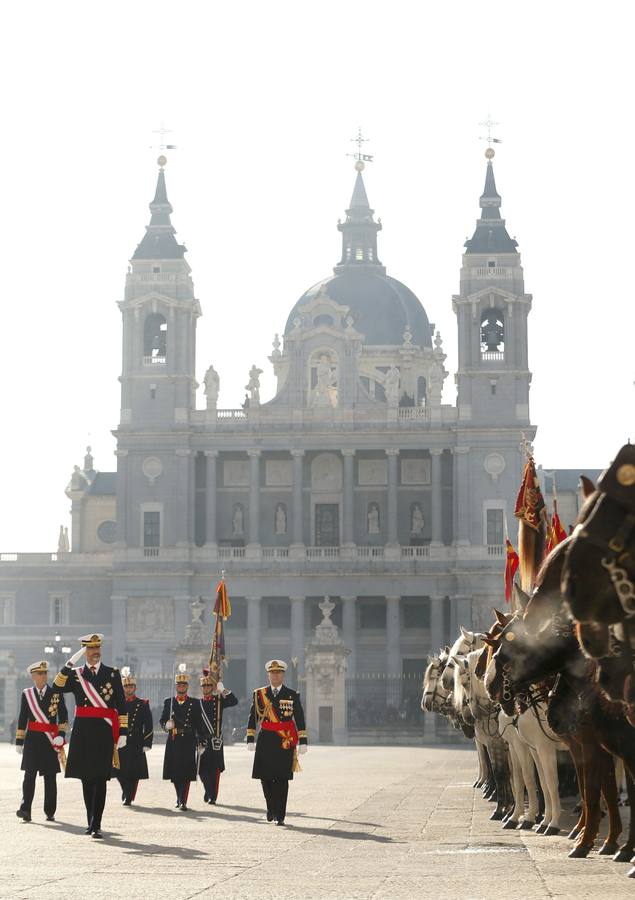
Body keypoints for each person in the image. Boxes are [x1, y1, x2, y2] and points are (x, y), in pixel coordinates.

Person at [53, 634, 127, 838]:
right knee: (86, 779)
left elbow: (121, 704)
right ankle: (90, 821)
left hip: (103, 731)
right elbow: (56, 687)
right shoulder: (76, 674)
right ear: (85, 651)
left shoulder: (112, 673)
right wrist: (69, 663)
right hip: (83, 732)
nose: (96, 651)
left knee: (100, 778)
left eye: (98, 647)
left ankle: (97, 824)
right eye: (91, 648)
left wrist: (123, 731)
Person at [246, 659, 307, 826]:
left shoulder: (292, 694)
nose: (275, 675)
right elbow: (253, 716)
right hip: (266, 739)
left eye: (278, 672)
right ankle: (270, 806)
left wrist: (303, 740)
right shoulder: (259, 694)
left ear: (283, 675)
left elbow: (299, 718)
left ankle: (280, 814)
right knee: (265, 777)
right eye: (272, 673)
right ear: (268, 675)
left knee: (281, 779)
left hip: (284, 740)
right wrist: (250, 737)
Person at [15, 660, 68, 823]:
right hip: (32, 741)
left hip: (49, 740)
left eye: (45, 673)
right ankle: (25, 810)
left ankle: (50, 811)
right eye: (40, 673)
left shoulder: (56, 694)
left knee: (50, 778)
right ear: (33, 676)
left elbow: (64, 716)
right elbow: (23, 716)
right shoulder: (27, 694)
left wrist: (61, 734)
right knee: (29, 776)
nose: (44, 676)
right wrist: (19, 740)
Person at [159, 665, 203, 810]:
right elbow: (162, 721)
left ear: (187, 686)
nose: (181, 687)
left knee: (186, 771)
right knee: (175, 773)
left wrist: (201, 740)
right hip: (174, 739)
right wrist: (167, 725)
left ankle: (182, 800)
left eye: (184, 684)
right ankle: (179, 796)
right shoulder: (169, 702)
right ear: (176, 686)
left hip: (188, 740)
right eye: (179, 684)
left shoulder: (195, 703)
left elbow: (198, 723)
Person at [198, 669, 238, 804]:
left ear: (212, 687)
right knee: (201, 770)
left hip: (215, 739)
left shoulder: (218, 700)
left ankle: (212, 796)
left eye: (209, 686)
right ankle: (207, 790)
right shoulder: (198, 704)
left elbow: (234, 701)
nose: (206, 688)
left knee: (214, 769)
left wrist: (224, 690)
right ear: (202, 688)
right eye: (204, 686)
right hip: (203, 740)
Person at [115, 667, 153, 806]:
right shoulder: (117, 703)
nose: (128, 688)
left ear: (135, 687)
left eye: (130, 686)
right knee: (118, 770)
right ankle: (126, 790)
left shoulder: (142, 704)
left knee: (134, 771)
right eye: (126, 686)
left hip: (136, 740)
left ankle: (129, 796)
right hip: (120, 739)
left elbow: (148, 724)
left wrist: (147, 742)